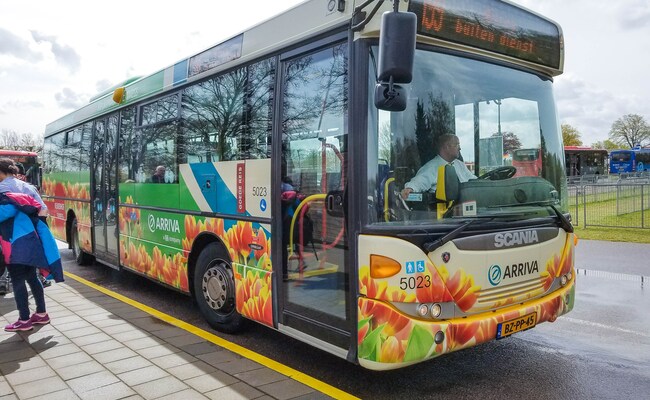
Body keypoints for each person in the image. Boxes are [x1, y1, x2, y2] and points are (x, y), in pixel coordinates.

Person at [0, 191, 63, 332]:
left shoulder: (4, 207)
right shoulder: (17, 201)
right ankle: (41, 313)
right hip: (31, 244)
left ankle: (24, 320)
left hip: (15, 248)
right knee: (32, 277)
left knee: (17, 281)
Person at [0, 158, 50, 291]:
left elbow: (5, 212)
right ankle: (40, 303)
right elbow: (43, 209)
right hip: (28, 233)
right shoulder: (29, 187)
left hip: (7, 233)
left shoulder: (2, 188)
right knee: (31, 273)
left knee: (11, 263)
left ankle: (3, 282)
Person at [401, 134, 477, 199]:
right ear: (447, 147)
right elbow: (419, 181)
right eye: (457, 145)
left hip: (465, 206)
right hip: (444, 212)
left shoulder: (460, 164)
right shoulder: (432, 167)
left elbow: (473, 181)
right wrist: (410, 188)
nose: (460, 148)